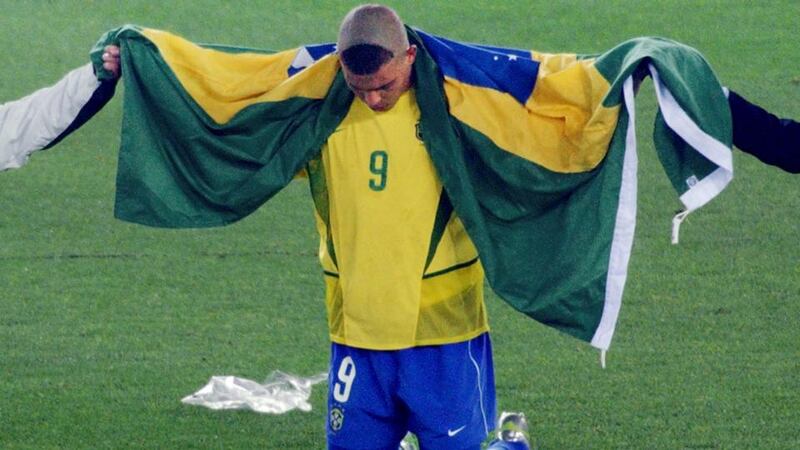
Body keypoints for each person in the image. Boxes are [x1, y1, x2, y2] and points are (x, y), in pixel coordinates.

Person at [36, 4, 800, 449]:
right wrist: (133, 52)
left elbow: (574, 86)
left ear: (408, 56)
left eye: (387, 83)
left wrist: (655, 64)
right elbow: (220, 79)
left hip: (445, 341)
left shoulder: (463, 94)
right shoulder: (317, 99)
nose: (374, 98)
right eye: (362, 86)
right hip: (354, 345)